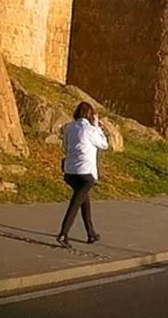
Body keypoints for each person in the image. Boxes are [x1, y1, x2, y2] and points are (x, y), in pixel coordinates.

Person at [57, 102, 109, 249]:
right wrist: (97, 126)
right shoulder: (90, 130)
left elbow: (65, 147)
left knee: (84, 200)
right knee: (76, 203)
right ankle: (63, 233)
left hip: (70, 172)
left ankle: (91, 233)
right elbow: (104, 144)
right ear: (90, 115)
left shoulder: (69, 128)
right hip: (86, 173)